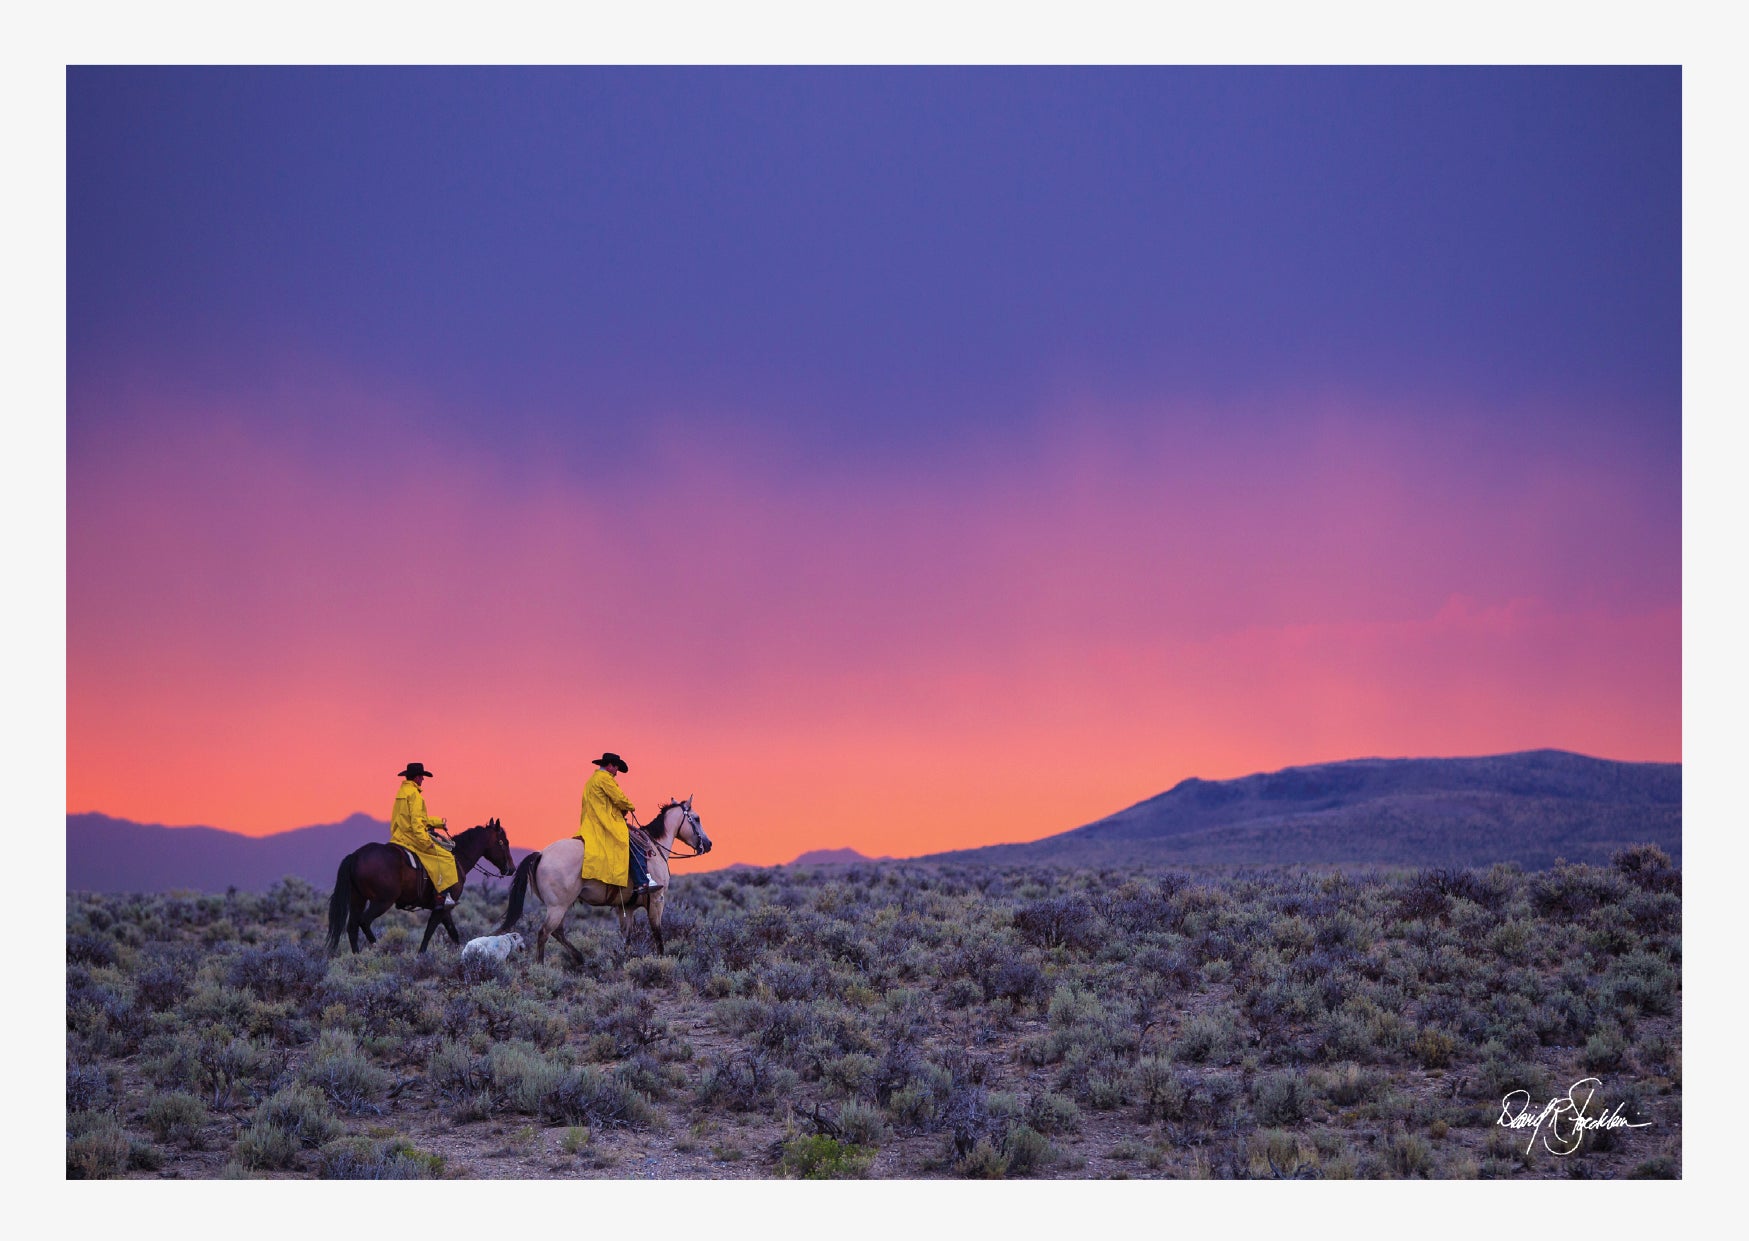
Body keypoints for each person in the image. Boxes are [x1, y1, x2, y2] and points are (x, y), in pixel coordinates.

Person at [577, 751, 661, 900]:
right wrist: (630, 806)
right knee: (635, 844)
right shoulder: (605, 779)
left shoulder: (592, 780)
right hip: (605, 822)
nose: (616, 772)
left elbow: (605, 802)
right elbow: (619, 798)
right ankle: (642, 882)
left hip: (592, 821)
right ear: (610, 765)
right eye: (616, 768)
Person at [389, 762, 461, 907]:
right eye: (422, 776)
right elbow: (416, 823)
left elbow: (409, 819)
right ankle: (441, 896)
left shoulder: (401, 793)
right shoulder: (415, 795)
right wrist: (425, 841)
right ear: (416, 777)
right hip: (413, 837)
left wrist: (438, 823)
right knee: (446, 857)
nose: (423, 780)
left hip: (399, 836)